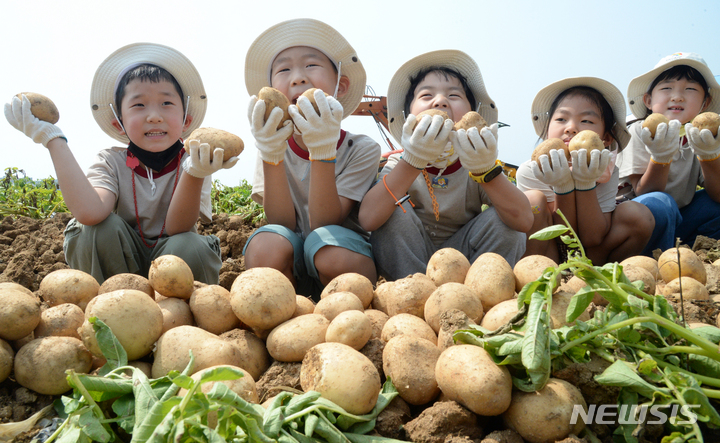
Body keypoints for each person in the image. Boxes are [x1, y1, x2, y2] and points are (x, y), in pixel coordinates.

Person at [4, 42, 237, 285]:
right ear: (119, 123)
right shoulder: (110, 161)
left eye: (166, 103)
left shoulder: (197, 159)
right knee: (94, 230)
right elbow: (90, 212)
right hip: (120, 270)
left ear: (186, 120)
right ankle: (111, 305)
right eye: (139, 105)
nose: (154, 115)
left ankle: (182, 313)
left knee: (190, 245)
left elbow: (178, 227)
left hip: (174, 270)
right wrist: (52, 139)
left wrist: (194, 172)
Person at [358, 50, 533, 282]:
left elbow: (523, 221)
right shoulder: (398, 162)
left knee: (505, 220)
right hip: (410, 264)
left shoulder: (476, 162)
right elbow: (369, 219)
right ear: (409, 114)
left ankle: (481, 292)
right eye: (426, 94)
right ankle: (414, 294)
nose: (440, 101)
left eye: (454, 95)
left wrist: (485, 171)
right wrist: (413, 161)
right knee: (392, 207)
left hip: (465, 263)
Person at [243, 18, 381, 299]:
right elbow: (280, 221)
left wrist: (322, 150)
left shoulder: (362, 148)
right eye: (284, 69)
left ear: (340, 87)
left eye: (311, 65)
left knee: (326, 247)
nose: (297, 78)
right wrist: (271, 154)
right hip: (292, 272)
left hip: (342, 270)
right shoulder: (271, 142)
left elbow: (324, 222)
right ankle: (279, 309)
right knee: (265, 243)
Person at [516, 77, 654, 265]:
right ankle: (535, 272)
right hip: (549, 253)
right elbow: (563, 234)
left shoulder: (606, 172)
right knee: (534, 202)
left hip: (592, 255)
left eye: (586, 120)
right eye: (561, 119)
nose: (571, 127)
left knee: (638, 215)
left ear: (605, 139)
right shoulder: (532, 171)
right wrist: (562, 185)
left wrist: (585, 183)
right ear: (547, 128)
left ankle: (598, 275)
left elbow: (593, 237)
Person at [616, 52, 720, 255]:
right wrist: (661, 157)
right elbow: (645, 194)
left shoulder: (701, 136)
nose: (678, 96)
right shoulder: (638, 131)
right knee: (662, 203)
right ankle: (655, 260)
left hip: (678, 219)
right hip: (638, 221)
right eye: (666, 88)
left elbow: (717, 194)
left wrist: (709, 156)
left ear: (705, 104)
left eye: (690, 89)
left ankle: (690, 253)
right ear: (647, 100)